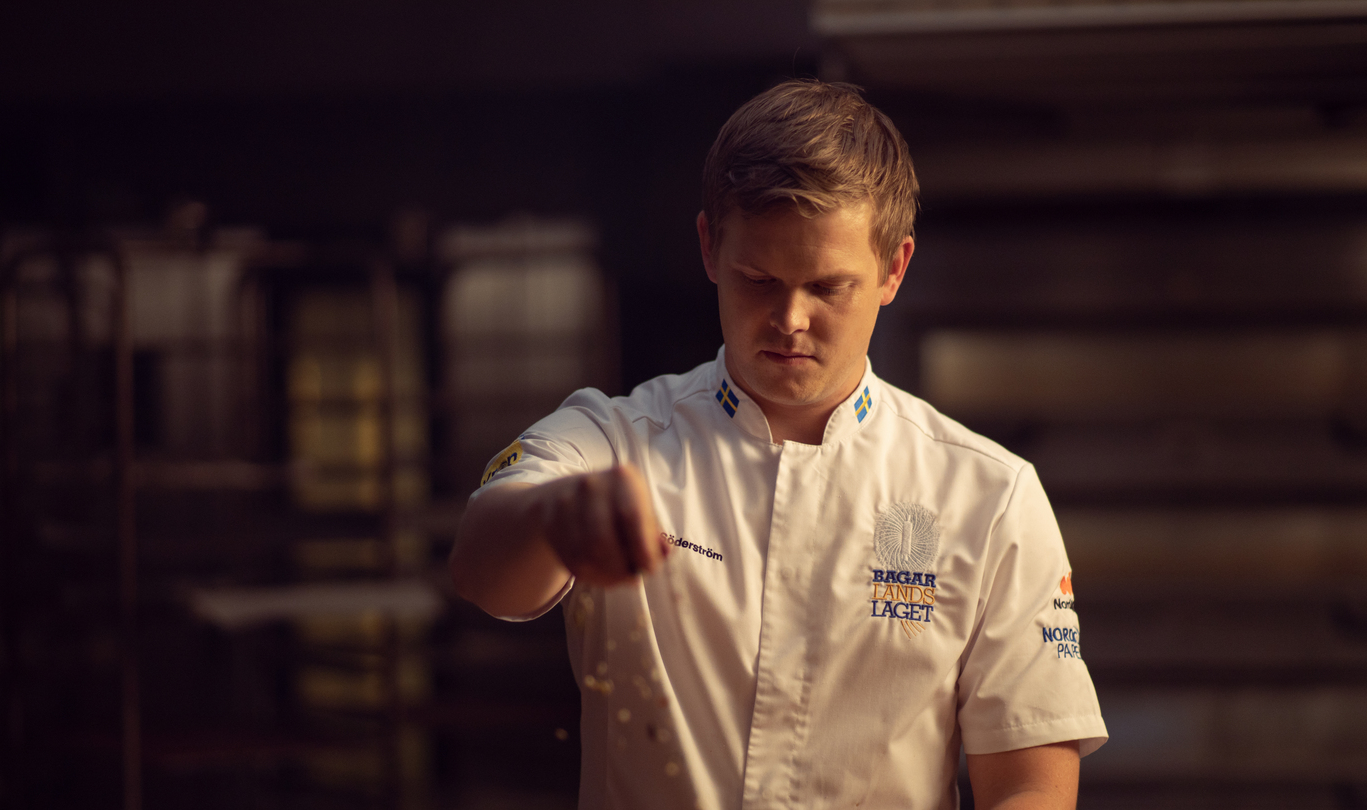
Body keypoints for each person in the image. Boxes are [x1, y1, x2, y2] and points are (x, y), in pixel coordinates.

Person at [450, 79, 1106, 810]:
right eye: (758, 280)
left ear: (894, 270)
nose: (790, 319)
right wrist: (553, 520)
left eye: (828, 287)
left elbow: (1028, 782)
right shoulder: (615, 439)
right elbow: (481, 568)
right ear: (708, 247)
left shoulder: (989, 496)